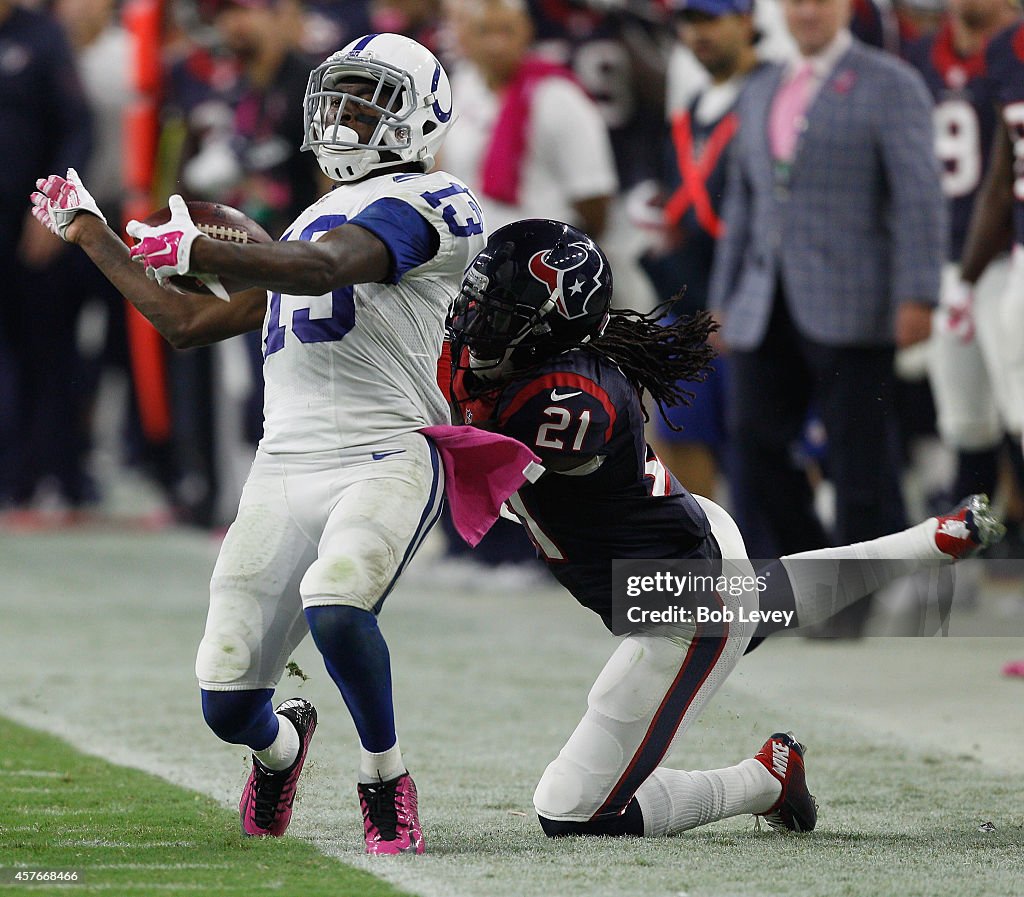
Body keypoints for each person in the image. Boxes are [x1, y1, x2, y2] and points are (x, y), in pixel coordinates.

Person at [31, 33, 488, 855]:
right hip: (283, 467)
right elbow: (186, 322)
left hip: (387, 451)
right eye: (339, 96)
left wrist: (200, 248)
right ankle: (282, 745)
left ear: (422, 115)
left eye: (368, 99)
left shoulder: (435, 200)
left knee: (339, 600)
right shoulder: (310, 222)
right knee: (225, 698)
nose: (345, 115)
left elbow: (323, 271)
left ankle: (386, 783)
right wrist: (94, 234)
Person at [446, 218, 1004, 838]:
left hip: (678, 603)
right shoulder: (521, 367)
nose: (475, 317)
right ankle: (928, 543)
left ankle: (763, 781)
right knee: (765, 607)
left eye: (500, 310)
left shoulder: (569, 403)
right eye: (478, 297)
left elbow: (463, 464)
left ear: (553, 326)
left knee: (572, 809)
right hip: (678, 556)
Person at [707, 0, 946, 635]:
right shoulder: (762, 84)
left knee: (857, 454)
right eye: (796, 1)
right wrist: (723, 299)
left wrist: (918, 293)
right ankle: (814, 579)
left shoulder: (890, 82)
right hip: (764, 299)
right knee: (755, 442)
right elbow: (744, 202)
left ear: (846, 8)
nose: (808, 11)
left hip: (857, 300)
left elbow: (920, 194)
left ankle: (852, 603)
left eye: (822, 0)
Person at [642, 0, 763, 501]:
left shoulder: (769, 94)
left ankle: (780, 558)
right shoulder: (691, 112)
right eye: (689, 23)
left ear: (747, 22)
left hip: (748, 297)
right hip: (688, 292)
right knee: (680, 430)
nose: (699, 34)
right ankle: (705, 561)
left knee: (759, 441)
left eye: (711, 19)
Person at [906, 0, 1022, 513]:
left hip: (1003, 256)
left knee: (1017, 412)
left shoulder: (1005, 54)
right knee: (964, 419)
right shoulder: (917, 58)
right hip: (950, 257)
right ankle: (970, 551)